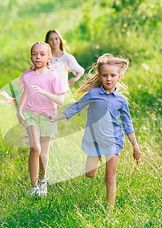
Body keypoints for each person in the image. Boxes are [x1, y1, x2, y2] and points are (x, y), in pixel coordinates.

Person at [48, 53, 141, 208]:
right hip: (94, 141)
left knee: (110, 177)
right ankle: (94, 164)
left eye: (112, 75)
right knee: (90, 174)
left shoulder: (121, 100)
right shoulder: (93, 94)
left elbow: (128, 125)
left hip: (113, 140)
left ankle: (109, 211)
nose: (109, 79)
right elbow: (75, 107)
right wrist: (56, 118)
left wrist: (135, 147)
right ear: (100, 76)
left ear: (120, 77)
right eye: (105, 75)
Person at [17, 42, 66, 197]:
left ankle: (43, 179)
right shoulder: (27, 75)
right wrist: (19, 111)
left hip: (48, 117)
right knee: (35, 148)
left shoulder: (53, 77)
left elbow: (60, 101)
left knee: (43, 153)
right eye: (34, 54)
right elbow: (24, 94)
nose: (38, 57)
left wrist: (45, 92)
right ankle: (33, 186)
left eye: (42, 54)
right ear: (31, 56)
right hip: (31, 114)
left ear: (49, 57)